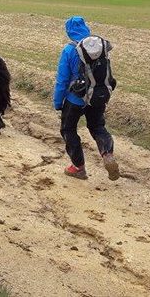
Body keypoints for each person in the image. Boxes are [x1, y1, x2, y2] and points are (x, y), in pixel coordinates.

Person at [53, 16, 119, 181]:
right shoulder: (99, 46)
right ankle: (107, 153)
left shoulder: (69, 50)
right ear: (86, 28)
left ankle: (78, 168)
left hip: (74, 99)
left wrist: (57, 101)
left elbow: (62, 80)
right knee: (97, 126)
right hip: (97, 96)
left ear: (69, 31)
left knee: (68, 130)